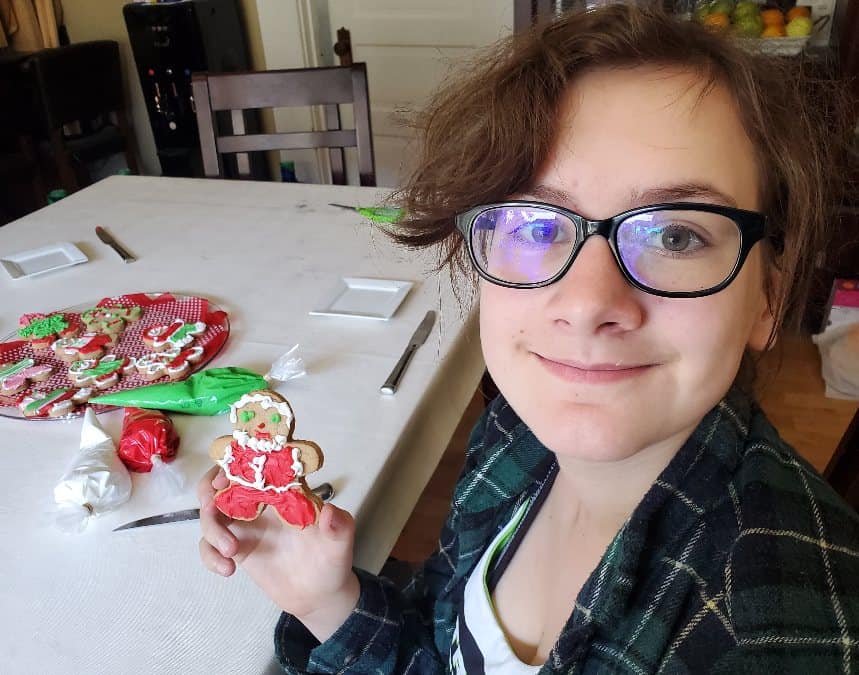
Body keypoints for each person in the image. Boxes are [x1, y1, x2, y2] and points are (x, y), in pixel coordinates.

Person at [197, 5, 859, 673]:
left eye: (674, 234)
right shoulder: (514, 432)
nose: (587, 304)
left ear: (767, 299)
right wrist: (325, 600)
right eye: (536, 225)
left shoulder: (779, 640)